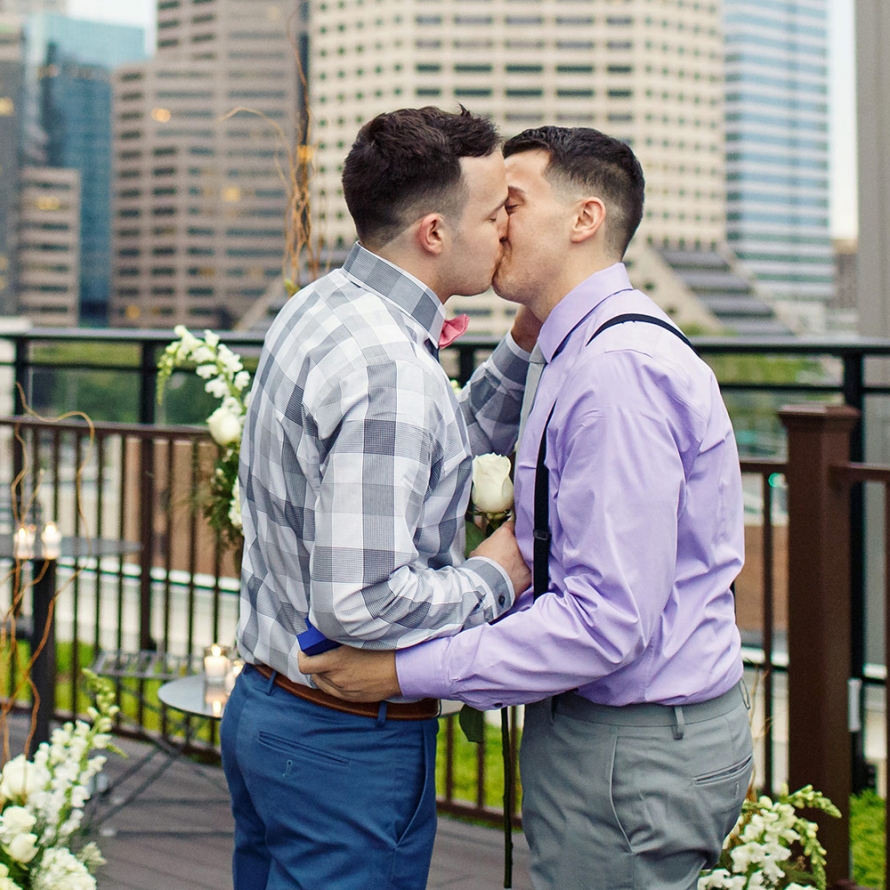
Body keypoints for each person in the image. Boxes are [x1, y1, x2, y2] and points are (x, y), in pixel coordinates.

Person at [301, 126, 754, 890]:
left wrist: (403, 672)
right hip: (615, 733)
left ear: (584, 219)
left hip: (630, 744)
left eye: (510, 202)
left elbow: (605, 621)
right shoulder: (572, 347)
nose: (492, 222)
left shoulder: (615, 373)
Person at [220, 106, 536, 890]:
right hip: (344, 746)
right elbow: (361, 601)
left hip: (268, 711)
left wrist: (520, 345)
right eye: (494, 214)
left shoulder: (324, 305)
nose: (506, 228)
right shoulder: (391, 369)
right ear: (434, 232)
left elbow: (423, 448)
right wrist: (498, 575)